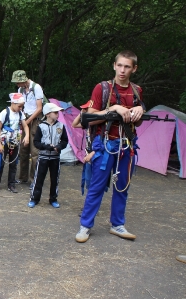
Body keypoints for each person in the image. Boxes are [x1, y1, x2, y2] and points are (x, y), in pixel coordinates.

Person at [75, 50, 144, 243]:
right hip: (104, 145)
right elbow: (89, 118)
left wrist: (139, 110)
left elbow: (136, 123)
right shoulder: (102, 88)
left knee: (122, 187)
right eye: (120, 65)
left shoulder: (137, 91)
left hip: (126, 145)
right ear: (114, 65)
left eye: (127, 66)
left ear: (134, 68)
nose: (122, 70)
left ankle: (117, 225)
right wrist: (113, 109)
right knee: (96, 187)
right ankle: (85, 226)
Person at [28, 103, 68, 208]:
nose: (57, 114)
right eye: (55, 112)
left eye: (57, 112)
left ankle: (53, 199)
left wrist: (59, 147)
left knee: (55, 179)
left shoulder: (61, 126)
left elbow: (65, 141)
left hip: (55, 157)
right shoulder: (41, 126)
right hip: (43, 157)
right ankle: (34, 199)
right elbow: (36, 142)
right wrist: (46, 147)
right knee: (39, 178)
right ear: (48, 114)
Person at [11, 70, 44, 189]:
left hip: (35, 120)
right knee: (23, 149)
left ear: (24, 80)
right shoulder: (20, 90)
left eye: (18, 83)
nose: (17, 85)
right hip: (25, 118)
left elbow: (39, 108)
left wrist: (27, 121)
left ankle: (33, 179)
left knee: (34, 151)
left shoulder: (36, 88)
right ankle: (22, 177)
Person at [0, 93, 29, 193]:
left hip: (15, 141)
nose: (20, 108)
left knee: (13, 164)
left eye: (22, 106)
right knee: (1, 162)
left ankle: (11, 184)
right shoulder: (4, 113)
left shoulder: (20, 114)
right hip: (4, 141)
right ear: (13, 103)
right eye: (19, 106)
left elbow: (25, 126)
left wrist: (27, 136)